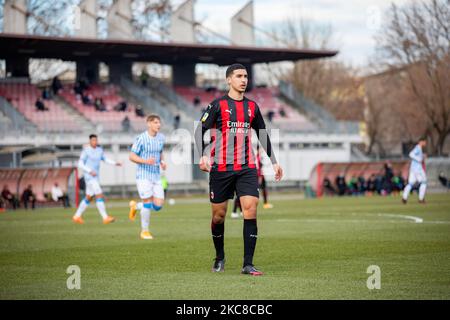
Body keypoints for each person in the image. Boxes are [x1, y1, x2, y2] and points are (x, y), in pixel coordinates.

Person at [195, 63, 283, 276]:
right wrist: (203, 155)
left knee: (250, 209)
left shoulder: (252, 107)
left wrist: (274, 161)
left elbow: (262, 133)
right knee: (218, 216)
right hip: (221, 168)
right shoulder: (217, 105)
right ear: (229, 80)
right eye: (238, 76)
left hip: (247, 167)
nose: (243, 80)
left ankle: (248, 264)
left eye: (245, 76)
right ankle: (219, 256)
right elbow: (200, 131)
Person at [128, 115, 167, 240]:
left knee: (158, 205)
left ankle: (135, 206)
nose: (158, 125)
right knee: (147, 202)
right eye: (155, 122)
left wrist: (162, 162)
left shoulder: (161, 138)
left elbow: (160, 152)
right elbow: (132, 156)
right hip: (143, 176)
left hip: (156, 176)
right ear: (149, 124)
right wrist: (145, 161)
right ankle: (144, 231)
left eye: (159, 122)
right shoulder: (141, 138)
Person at [72, 134, 121, 224]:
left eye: (96, 140)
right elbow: (80, 164)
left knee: (88, 197)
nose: (95, 142)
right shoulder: (86, 151)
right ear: (90, 141)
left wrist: (115, 163)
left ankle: (76, 216)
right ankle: (105, 217)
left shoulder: (99, 150)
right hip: (89, 178)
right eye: (93, 140)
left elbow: (105, 159)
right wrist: (89, 171)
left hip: (96, 178)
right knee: (99, 195)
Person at [402, 137, 427, 204]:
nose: (425, 143)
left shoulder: (419, 148)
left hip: (413, 169)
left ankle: (404, 198)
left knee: (410, 183)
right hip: (417, 169)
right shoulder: (418, 148)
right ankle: (421, 199)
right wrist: (419, 159)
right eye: (424, 142)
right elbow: (411, 154)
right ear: (421, 141)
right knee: (424, 182)